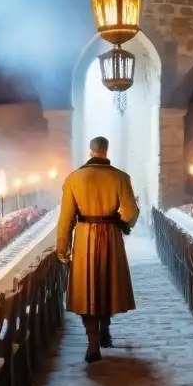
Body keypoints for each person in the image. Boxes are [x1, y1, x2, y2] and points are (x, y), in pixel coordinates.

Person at [55, 135, 140, 363]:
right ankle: (105, 330)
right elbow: (131, 211)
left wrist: (62, 247)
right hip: (110, 235)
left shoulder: (74, 178)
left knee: (87, 288)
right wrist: (122, 223)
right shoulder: (121, 177)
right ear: (106, 150)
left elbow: (65, 219)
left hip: (84, 236)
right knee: (107, 284)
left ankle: (92, 341)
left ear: (91, 151)